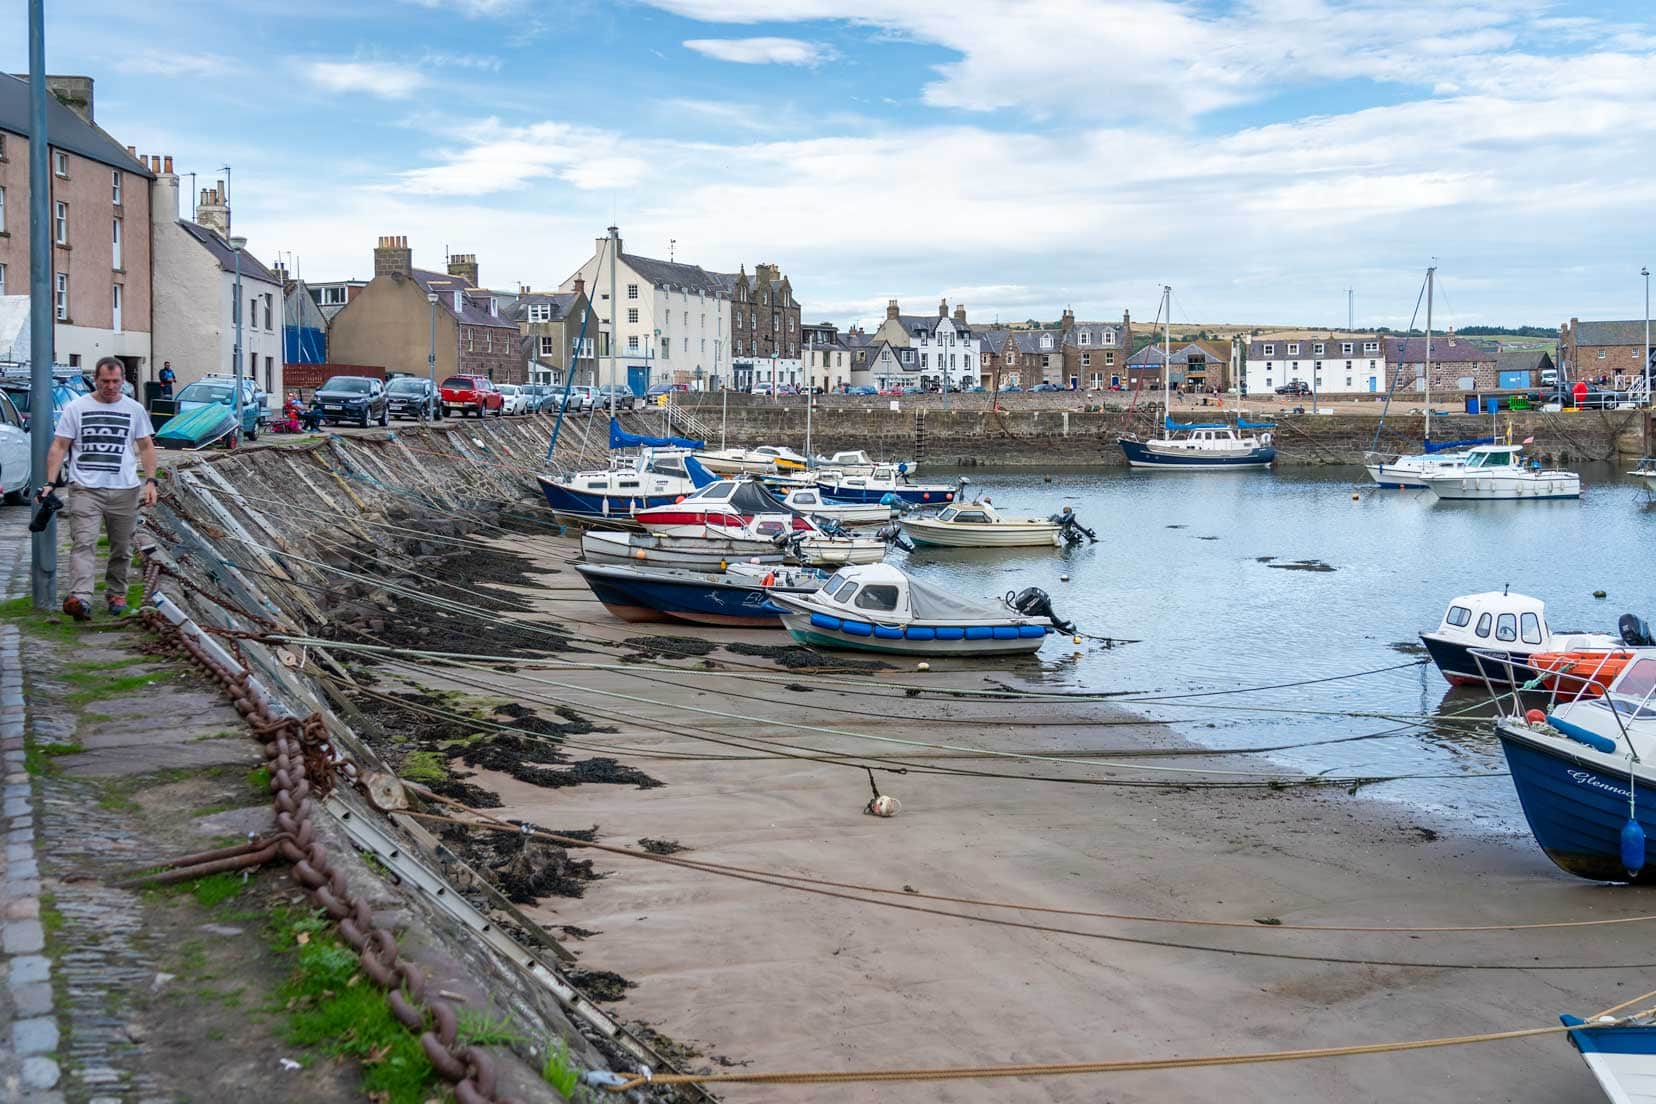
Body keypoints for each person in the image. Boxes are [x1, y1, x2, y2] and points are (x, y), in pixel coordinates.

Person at [38, 356, 158, 621]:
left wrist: (151, 481)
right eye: (105, 381)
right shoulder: (76, 408)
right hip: (85, 488)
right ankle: (81, 598)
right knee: (83, 542)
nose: (111, 386)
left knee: (122, 547)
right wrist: (50, 483)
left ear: (123, 381)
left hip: (124, 488)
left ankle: (117, 594)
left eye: (116, 381)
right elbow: (60, 446)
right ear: (96, 379)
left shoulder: (134, 409)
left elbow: (147, 446)